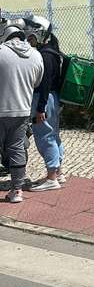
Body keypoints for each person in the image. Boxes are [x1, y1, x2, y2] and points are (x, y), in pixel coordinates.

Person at [0, 19, 43, 203]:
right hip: (22, 110)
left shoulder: (1, 52)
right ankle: (17, 190)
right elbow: (37, 82)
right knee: (16, 147)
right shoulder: (35, 55)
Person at [25, 17, 66, 191]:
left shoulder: (45, 55)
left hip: (45, 100)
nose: (28, 39)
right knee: (54, 136)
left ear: (40, 33)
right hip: (53, 98)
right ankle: (58, 172)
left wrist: (40, 108)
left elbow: (45, 84)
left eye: (31, 36)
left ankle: (51, 179)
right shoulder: (53, 51)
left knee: (45, 137)